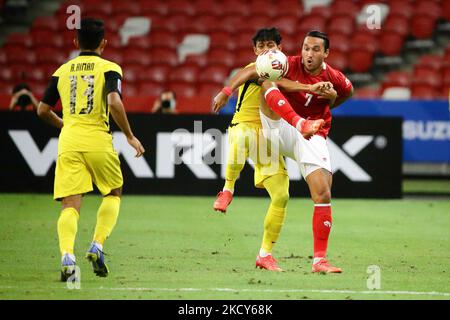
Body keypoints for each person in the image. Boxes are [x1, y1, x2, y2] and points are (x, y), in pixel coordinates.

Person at [214, 30, 353, 273]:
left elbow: (348, 92)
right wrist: (226, 92)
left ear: (326, 53)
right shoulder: (283, 64)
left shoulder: (335, 77)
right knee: (265, 87)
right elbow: (254, 72)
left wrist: (330, 100)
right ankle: (227, 188)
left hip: (312, 133)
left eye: (315, 49)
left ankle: (314, 260)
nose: (309, 53)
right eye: (306, 48)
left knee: (319, 194)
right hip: (280, 127)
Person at [37, 18, 145, 281]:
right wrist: (129, 136)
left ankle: (67, 257)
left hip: (70, 141)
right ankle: (97, 245)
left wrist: (65, 124)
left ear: (75, 42)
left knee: (70, 205)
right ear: (104, 43)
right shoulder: (110, 68)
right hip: (98, 139)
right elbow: (114, 102)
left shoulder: (62, 70)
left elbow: (42, 110)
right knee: (113, 192)